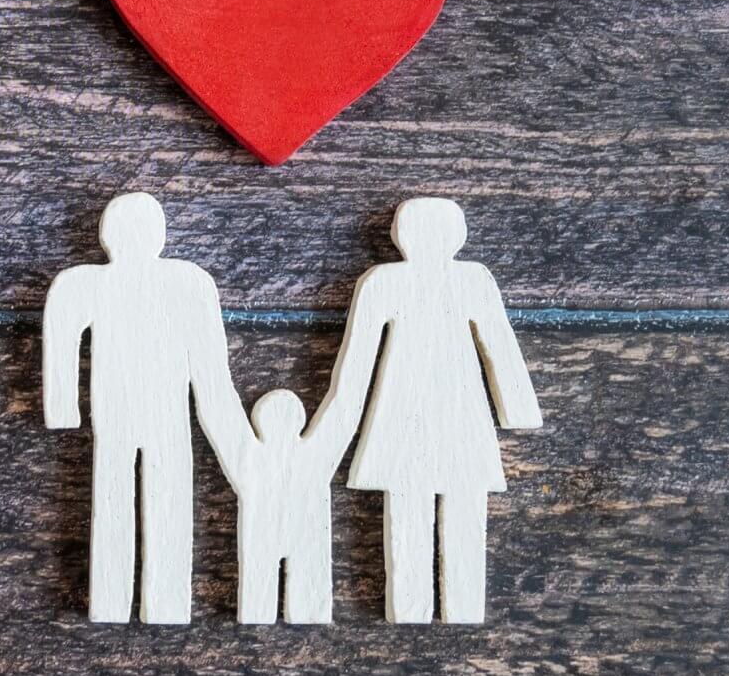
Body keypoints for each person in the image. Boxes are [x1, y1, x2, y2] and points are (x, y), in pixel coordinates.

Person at [329, 197, 543, 623]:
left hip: (428, 415)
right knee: (425, 506)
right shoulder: (397, 282)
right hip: (433, 416)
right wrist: (517, 409)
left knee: (425, 506)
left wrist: (338, 423)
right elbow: (355, 364)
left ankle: (430, 605)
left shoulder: (450, 281)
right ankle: (421, 606)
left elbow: (355, 370)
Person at [43, 193, 252, 624]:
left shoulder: (181, 283)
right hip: (135, 417)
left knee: (149, 500)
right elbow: (211, 371)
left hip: (149, 415)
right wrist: (62, 408)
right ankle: (139, 602)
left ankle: (153, 602)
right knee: (143, 502)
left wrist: (64, 408)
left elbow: (210, 369)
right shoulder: (179, 282)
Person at [228, 386, 367, 623]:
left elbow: (220, 411)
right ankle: (298, 611)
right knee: (306, 604)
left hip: (264, 538)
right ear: (300, 421)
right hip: (306, 539)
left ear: (260, 423)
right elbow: (345, 409)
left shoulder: (249, 456)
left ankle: (266, 612)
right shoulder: (317, 453)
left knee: (258, 606)